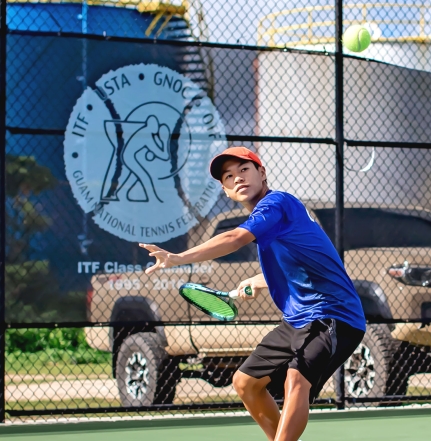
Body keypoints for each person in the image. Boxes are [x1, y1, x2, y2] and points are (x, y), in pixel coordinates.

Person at [140, 146, 366, 441]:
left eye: (244, 170)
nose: (237, 178)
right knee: (246, 382)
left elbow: (235, 238)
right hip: (298, 319)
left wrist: (177, 258)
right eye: (228, 177)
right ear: (225, 191)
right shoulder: (271, 220)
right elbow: (305, 264)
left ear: (262, 173)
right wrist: (259, 281)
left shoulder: (277, 202)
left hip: (333, 314)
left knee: (296, 380)